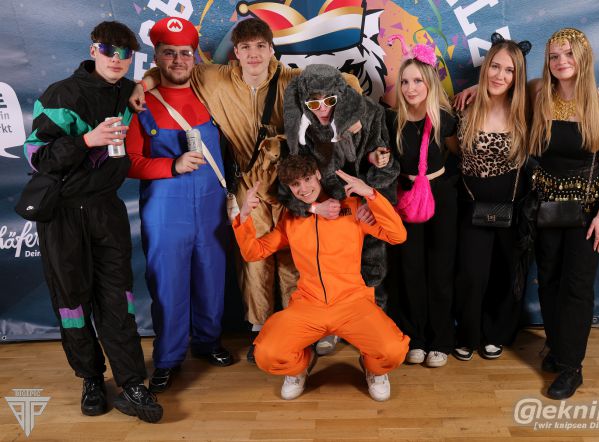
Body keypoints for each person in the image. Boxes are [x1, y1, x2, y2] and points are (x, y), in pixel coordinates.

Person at [134, 18, 361, 362]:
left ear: (271, 50)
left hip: (289, 185)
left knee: (293, 258)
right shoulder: (214, 77)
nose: (253, 55)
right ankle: (261, 330)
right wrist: (142, 85)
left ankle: (300, 328)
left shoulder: (292, 80)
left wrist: (346, 114)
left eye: (260, 47)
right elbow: (168, 71)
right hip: (247, 184)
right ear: (235, 53)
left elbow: (347, 82)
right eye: (245, 47)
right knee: (253, 261)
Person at [22, 21, 162, 423]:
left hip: (105, 209)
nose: (116, 59)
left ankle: (132, 382)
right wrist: (87, 140)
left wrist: (140, 86)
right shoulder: (61, 94)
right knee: (72, 303)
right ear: (92, 50)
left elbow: (155, 76)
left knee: (118, 299)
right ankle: (91, 378)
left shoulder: (125, 91)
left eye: (125, 54)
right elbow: (36, 157)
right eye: (108, 50)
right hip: (63, 214)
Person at [232, 155, 409, 401]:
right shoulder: (291, 219)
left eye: (307, 179)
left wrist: (370, 195)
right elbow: (254, 252)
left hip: (353, 302)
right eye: (295, 184)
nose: (303, 189)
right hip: (309, 304)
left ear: (317, 174)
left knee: (393, 350)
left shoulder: (351, 207)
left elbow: (398, 235)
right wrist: (243, 216)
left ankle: (374, 368)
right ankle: (299, 366)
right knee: (267, 354)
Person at [125, 17, 234, 394]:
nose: (177, 60)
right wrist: (171, 165)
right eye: (168, 53)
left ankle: (207, 341)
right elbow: (130, 162)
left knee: (211, 275)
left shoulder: (212, 93)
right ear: (156, 56)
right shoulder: (141, 103)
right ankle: (168, 359)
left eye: (184, 53)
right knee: (168, 283)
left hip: (211, 204)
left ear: (194, 57)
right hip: (165, 207)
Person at [281, 63, 399, 355]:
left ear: (341, 96)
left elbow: (388, 168)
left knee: (373, 265)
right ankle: (330, 327)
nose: (322, 109)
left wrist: (375, 171)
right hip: (329, 209)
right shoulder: (300, 129)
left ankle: (373, 327)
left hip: (362, 205)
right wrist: (313, 209)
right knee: (330, 268)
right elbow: (290, 185)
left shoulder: (371, 113)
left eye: (330, 100)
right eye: (314, 103)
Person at [529, 28, 599, 399]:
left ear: (583, 57)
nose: (561, 61)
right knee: (549, 280)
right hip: (546, 208)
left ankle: (572, 368)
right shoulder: (540, 94)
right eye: (554, 56)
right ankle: (557, 346)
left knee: (576, 288)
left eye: (568, 54)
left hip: (586, 211)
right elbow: (503, 89)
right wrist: (474, 88)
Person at [452, 34, 531, 363]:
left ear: (517, 77)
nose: (500, 75)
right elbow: (451, 148)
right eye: (494, 67)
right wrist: (476, 88)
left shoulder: (526, 110)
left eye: (509, 70)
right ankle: (467, 334)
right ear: (485, 68)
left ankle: (495, 334)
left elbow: (547, 86)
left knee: (504, 273)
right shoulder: (464, 106)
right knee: (471, 275)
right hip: (471, 207)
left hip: (511, 208)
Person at [383, 35, 459, 368]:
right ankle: (414, 337)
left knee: (440, 271)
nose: (410, 88)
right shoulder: (392, 121)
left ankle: (440, 339)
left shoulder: (445, 119)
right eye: (405, 81)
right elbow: (383, 157)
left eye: (417, 81)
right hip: (405, 198)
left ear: (429, 83)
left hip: (440, 198)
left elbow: (457, 155)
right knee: (409, 270)